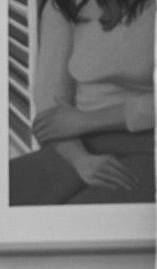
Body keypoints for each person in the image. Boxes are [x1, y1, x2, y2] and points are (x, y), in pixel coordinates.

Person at [9, 0, 155, 206]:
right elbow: (51, 106)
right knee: (8, 193)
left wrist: (87, 121)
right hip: (75, 146)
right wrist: (80, 160)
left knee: (79, 218)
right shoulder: (62, 6)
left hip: (147, 145)